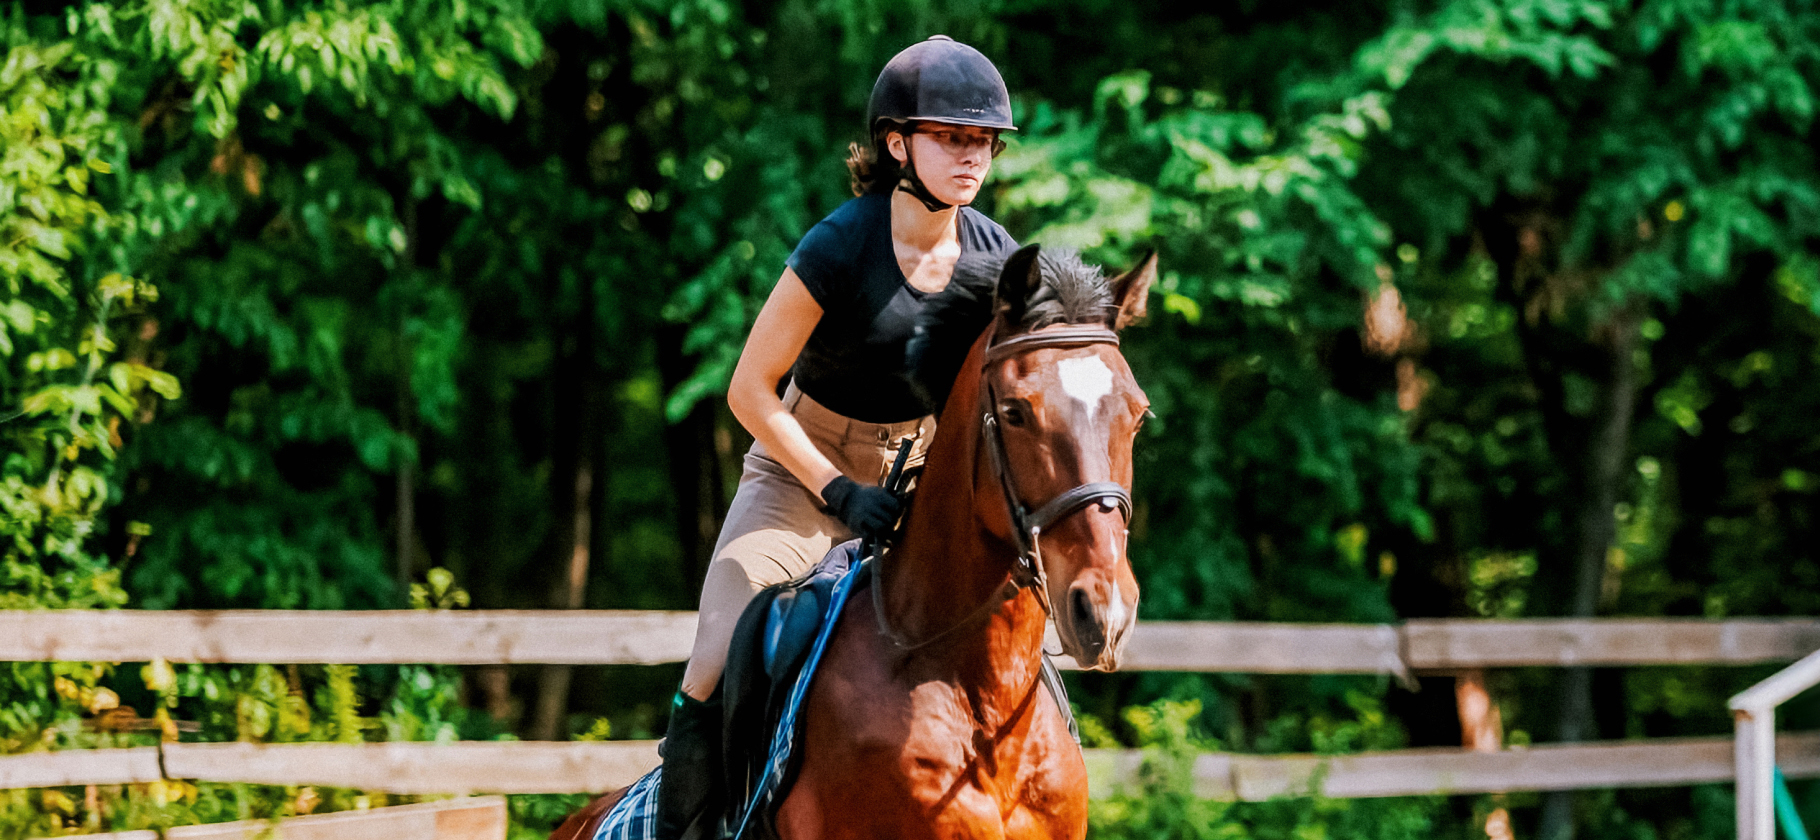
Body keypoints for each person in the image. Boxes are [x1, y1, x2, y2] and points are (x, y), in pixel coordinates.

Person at [655, 35, 1019, 839]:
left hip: (917, 486)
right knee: (717, 651)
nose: (974, 157)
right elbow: (749, 389)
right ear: (897, 144)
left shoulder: (995, 258)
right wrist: (835, 489)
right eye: (952, 138)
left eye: (984, 141)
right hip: (798, 478)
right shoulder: (840, 245)